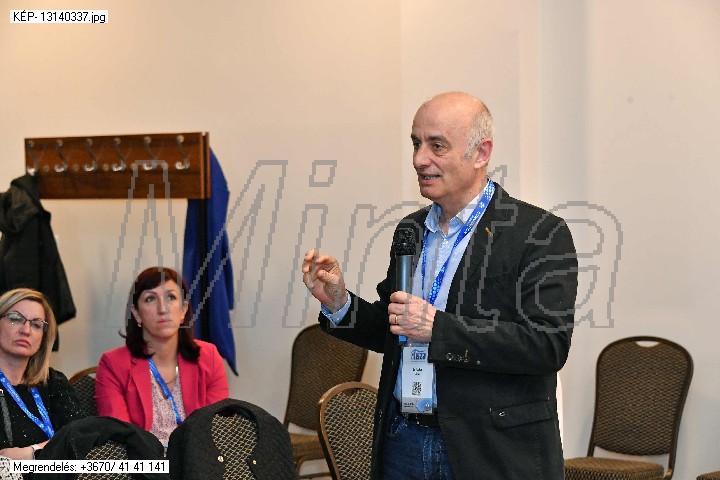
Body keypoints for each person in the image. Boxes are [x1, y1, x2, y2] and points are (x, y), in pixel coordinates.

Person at [302, 92, 578, 480]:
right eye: (416, 143)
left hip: (488, 450)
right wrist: (339, 302)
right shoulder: (411, 230)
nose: (419, 159)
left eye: (437, 146)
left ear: (481, 153)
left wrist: (439, 328)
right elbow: (395, 329)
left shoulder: (538, 233)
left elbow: (547, 345)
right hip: (404, 440)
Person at [95, 266, 229, 448]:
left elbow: (217, 429)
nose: (163, 308)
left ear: (184, 310)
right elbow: (119, 437)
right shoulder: (113, 364)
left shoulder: (209, 357)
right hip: (141, 461)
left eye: (171, 297)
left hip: (196, 459)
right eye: (150, 299)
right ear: (137, 313)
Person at [0, 288, 84, 460]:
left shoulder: (53, 382)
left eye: (36, 324)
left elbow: (81, 437)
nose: (26, 330)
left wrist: (33, 451)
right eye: (15, 318)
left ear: (43, 338)